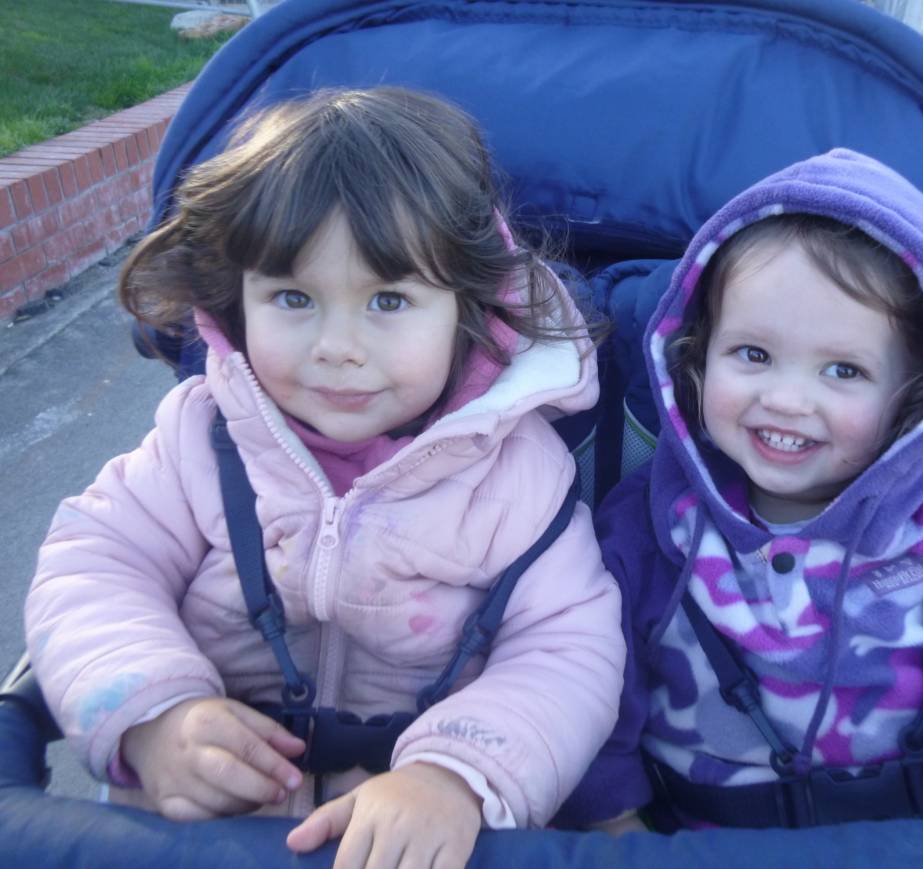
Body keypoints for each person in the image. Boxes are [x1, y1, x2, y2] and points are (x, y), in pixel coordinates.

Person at [24, 87, 624, 869]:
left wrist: (457, 774)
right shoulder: (200, 441)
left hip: (417, 838)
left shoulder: (518, 475)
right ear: (237, 301)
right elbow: (94, 565)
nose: (338, 346)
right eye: (294, 297)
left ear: (470, 308)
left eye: (389, 299)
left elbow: (568, 646)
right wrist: (152, 713)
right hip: (200, 832)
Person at [558, 149, 923, 869]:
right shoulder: (648, 530)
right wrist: (611, 813)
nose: (786, 398)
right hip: (712, 840)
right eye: (752, 354)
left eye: (843, 370)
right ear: (696, 353)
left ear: (919, 393)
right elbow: (590, 669)